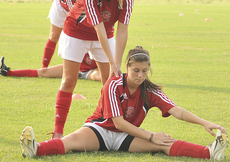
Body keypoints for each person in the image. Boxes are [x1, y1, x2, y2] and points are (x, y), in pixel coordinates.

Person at [20, 46, 229, 160]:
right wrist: (151, 136)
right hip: (99, 130)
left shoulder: (150, 89)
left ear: (148, 70)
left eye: (144, 71)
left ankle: (210, 153)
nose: (140, 75)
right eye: (136, 70)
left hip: (127, 137)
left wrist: (204, 123)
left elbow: (176, 110)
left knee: (165, 144)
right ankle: (35, 149)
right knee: (68, 143)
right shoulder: (113, 84)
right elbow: (117, 123)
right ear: (127, 68)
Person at [53, 0, 134, 138]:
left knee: (109, 82)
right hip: (76, 33)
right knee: (69, 81)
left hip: (105, 34)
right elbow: (99, 30)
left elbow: (122, 31)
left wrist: (117, 63)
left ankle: (105, 125)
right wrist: (112, 61)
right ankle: (57, 133)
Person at [42, 0, 91, 68]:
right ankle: (44, 67)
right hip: (61, 7)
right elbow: (74, 15)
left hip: (77, 12)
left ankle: (84, 66)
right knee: (54, 36)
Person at [0, 54, 100, 81]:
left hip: (92, 70)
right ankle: (8, 72)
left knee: (100, 76)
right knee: (44, 72)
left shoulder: (102, 38)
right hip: (75, 67)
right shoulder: (79, 36)